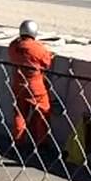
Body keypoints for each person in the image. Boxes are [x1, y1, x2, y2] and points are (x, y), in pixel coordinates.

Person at [8, 19, 54, 154]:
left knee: (19, 113)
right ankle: (42, 142)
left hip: (18, 83)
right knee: (42, 112)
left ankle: (17, 141)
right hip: (35, 85)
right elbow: (47, 63)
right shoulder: (37, 48)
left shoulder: (13, 46)